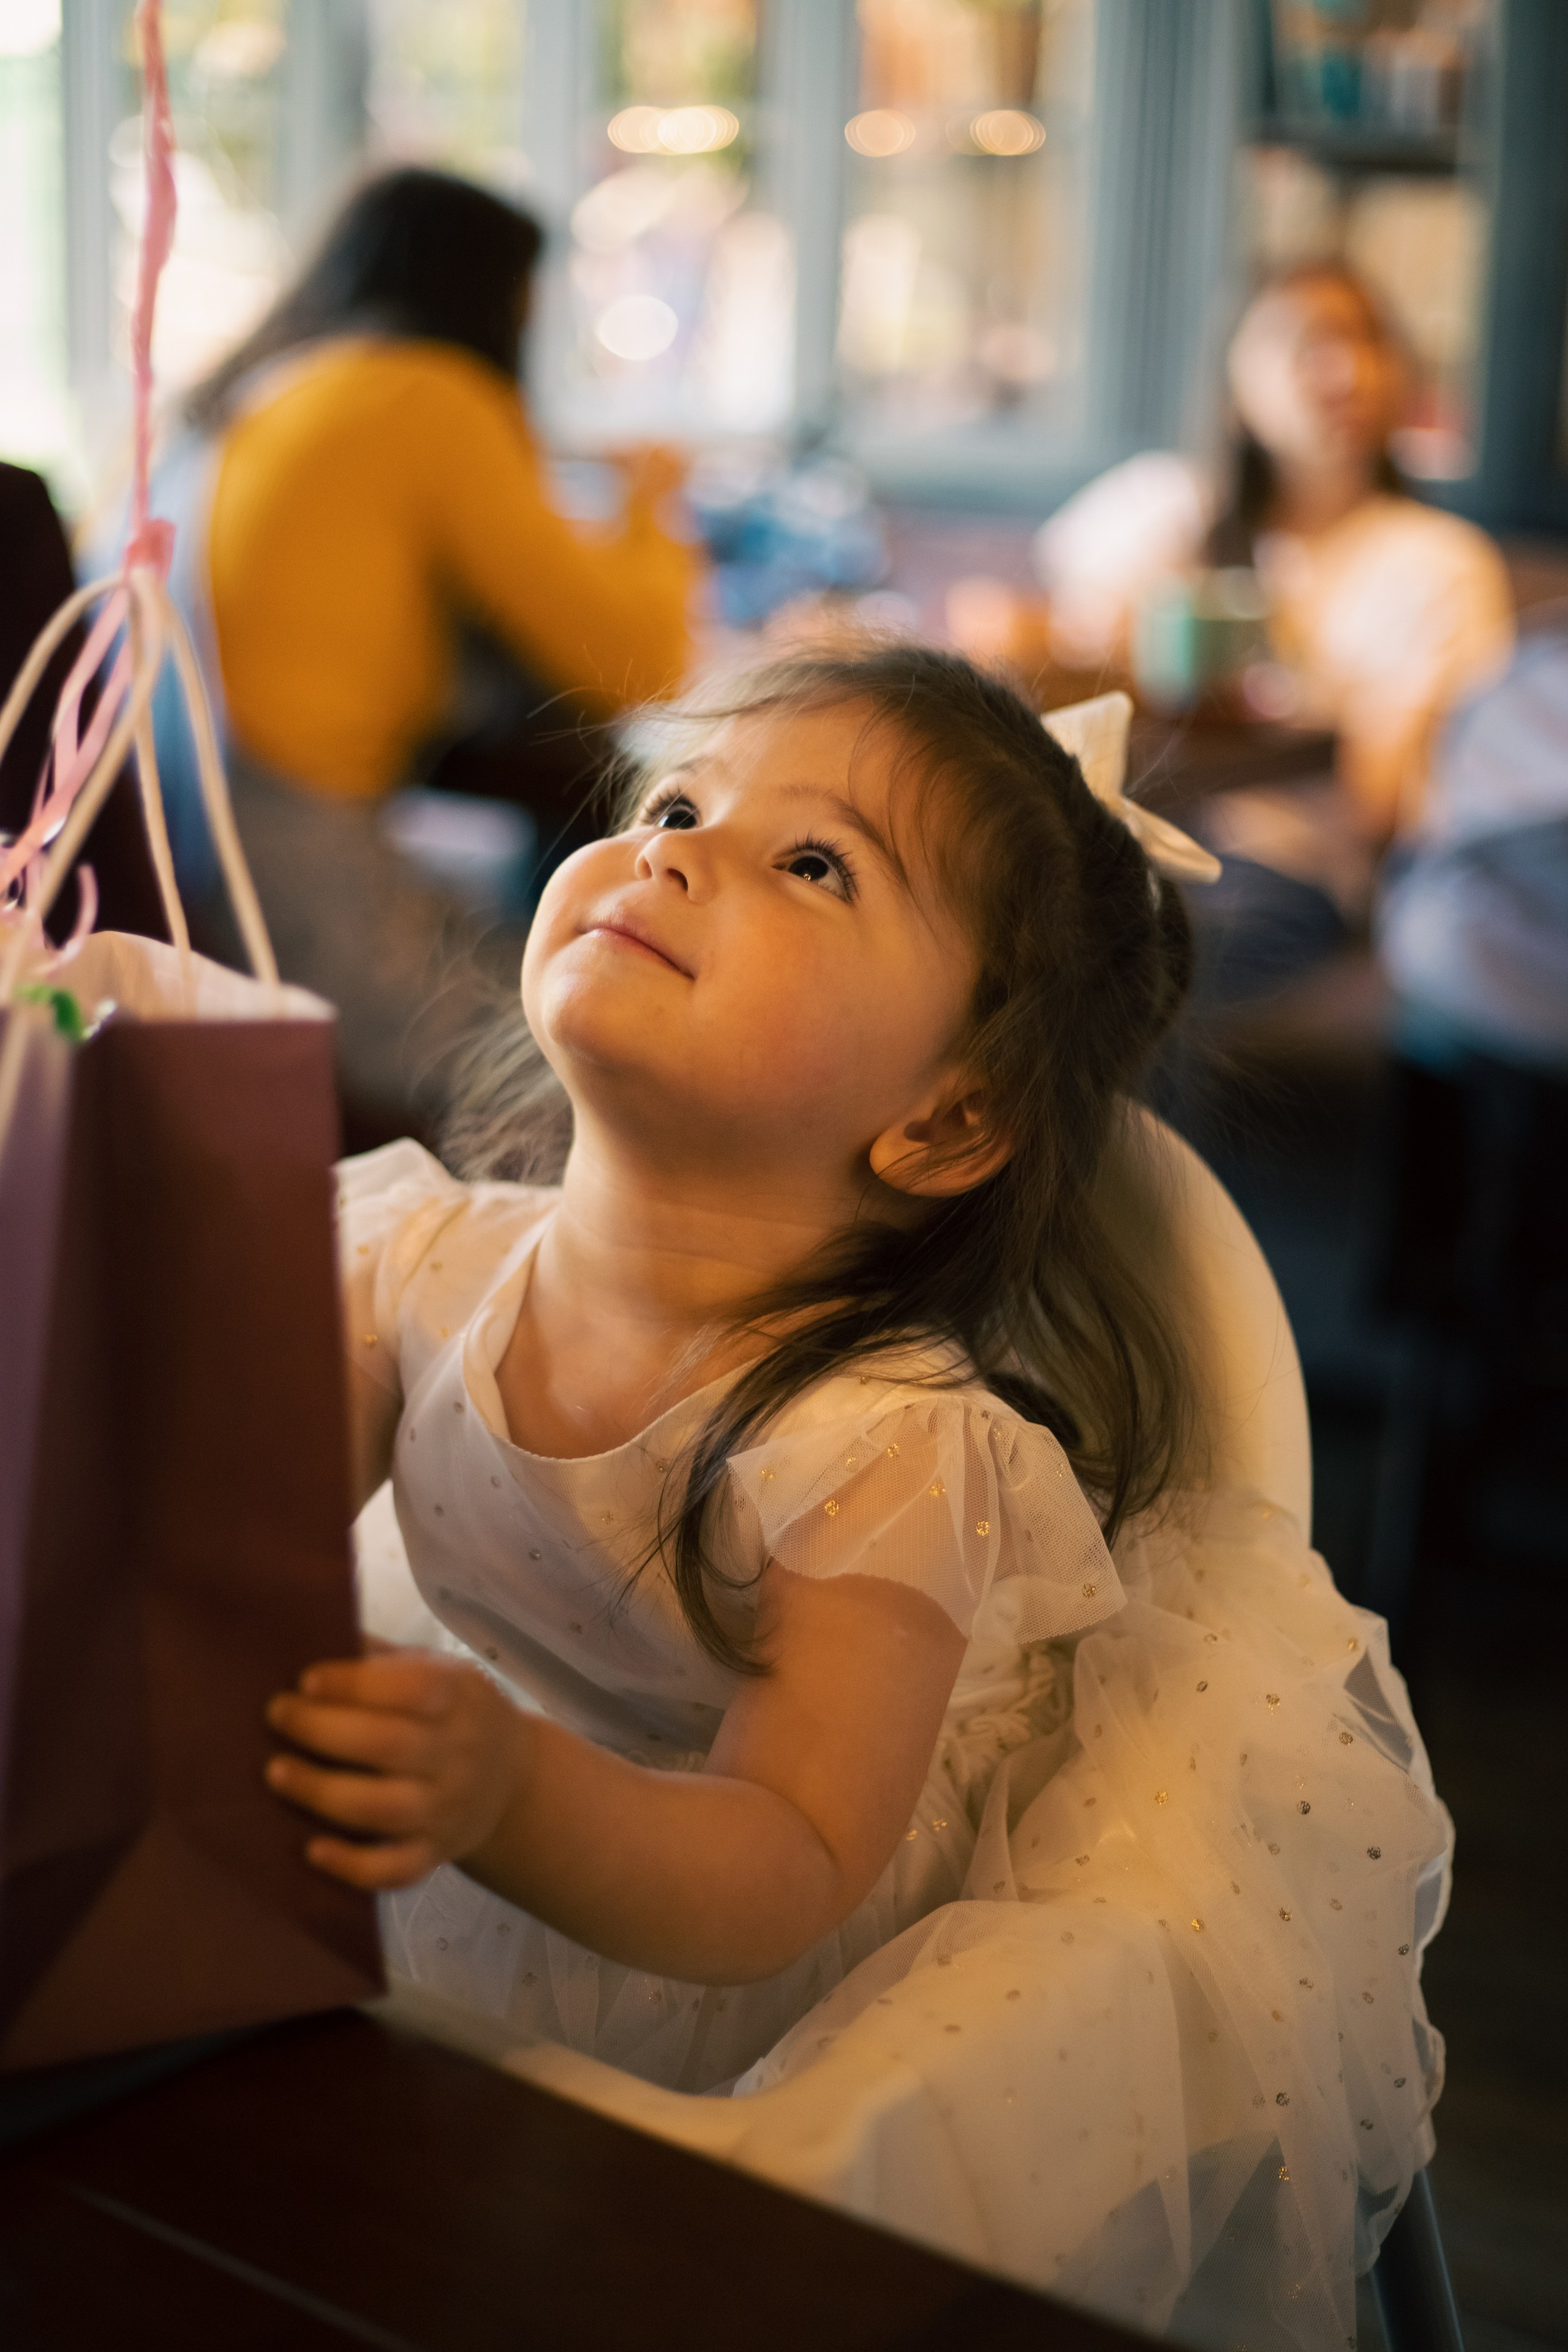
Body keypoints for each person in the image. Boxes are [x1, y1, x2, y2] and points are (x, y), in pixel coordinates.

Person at [263, 647, 1450, 2346]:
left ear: (949, 1120)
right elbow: (238, 1549)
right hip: (541, 1806)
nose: (670, 851)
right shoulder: (407, 1261)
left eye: (810, 864)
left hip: (792, 1927)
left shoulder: (877, 1448)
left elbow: (787, 1862)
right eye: (677, 804)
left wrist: (512, 1794)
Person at [179, 166, 699, 1125]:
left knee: (542, 931)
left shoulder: (272, 390)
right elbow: (637, 664)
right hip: (293, 877)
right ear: (496, 297)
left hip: (192, 853)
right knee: (593, 1072)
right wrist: (654, 495)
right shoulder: (429, 397)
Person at [952, 264, 1514, 1006]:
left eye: (1367, 340)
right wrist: (1126, 645)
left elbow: (1379, 805)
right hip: (1119, 835)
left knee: (1123, 972)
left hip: (1286, 866)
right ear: (1235, 382)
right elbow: (1004, 628)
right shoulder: (1174, 506)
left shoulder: (1438, 562)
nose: (1344, 371)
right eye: (1305, 343)